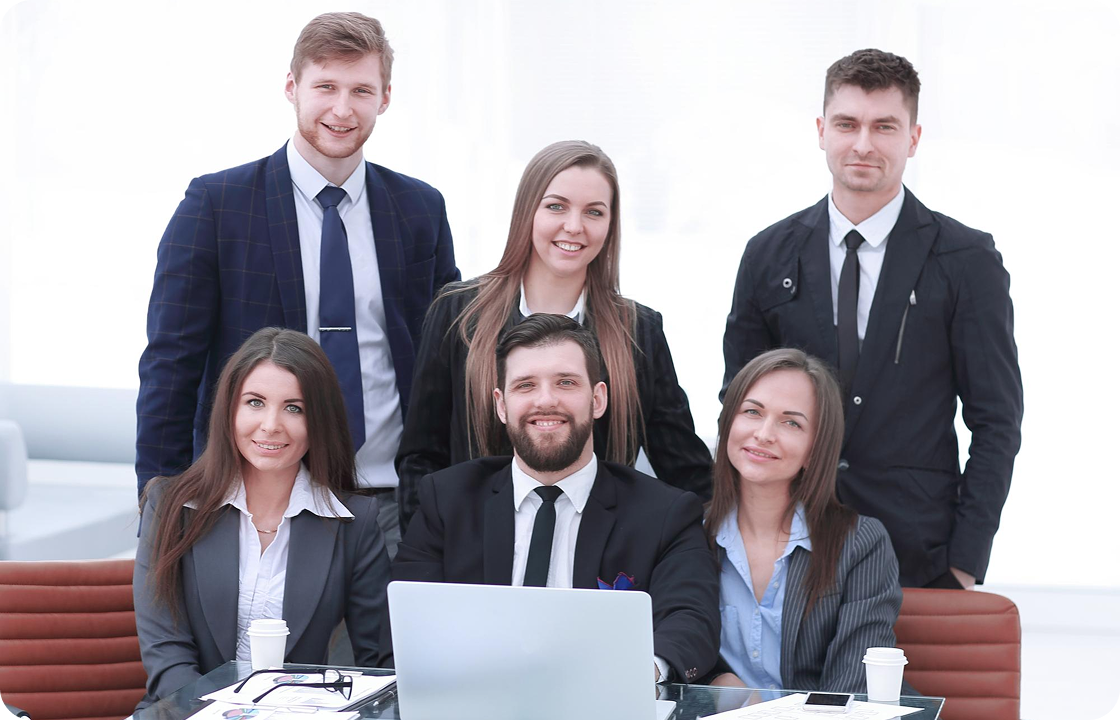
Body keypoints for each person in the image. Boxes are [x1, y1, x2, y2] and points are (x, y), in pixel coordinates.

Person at [135, 12, 459, 555]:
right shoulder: (217, 206)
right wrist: (160, 503)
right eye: (325, 86)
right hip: (258, 499)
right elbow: (171, 365)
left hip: (394, 501)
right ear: (292, 87)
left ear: (384, 98)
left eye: (361, 90)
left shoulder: (419, 209)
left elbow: (446, 360)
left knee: (393, 644)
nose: (342, 108)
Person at [721, 49, 1023, 588]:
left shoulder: (965, 260)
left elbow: (996, 420)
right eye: (847, 124)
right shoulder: (768, 254)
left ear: (913, 137)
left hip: (917, 551)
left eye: (884, 126)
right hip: (790, 543)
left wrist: (965, 560)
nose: (863, 144)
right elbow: (737, 403)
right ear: (821, 131)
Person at [396, 140, 710, 534]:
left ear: (611, 224)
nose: (574, 226)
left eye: (594, 212)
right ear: (528, 210)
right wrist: (427, 563)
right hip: (471, 556)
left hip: (595, 560)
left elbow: (686, 472)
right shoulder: (458, 314)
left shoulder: (638, 330)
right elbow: (420, 459)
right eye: (556, 206)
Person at [388, 314, 720, 684]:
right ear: (501, 404)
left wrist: (643, 673)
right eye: (525, 385)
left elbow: (692, 619)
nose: (545, 401)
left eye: (565, 382)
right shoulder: (446, 500)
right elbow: (409, 620)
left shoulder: (665, 513)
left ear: (597, 399)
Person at [133, 328, 390, 709]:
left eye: (293, 408)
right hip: (185, 712)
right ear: (229, 409)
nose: (271, 424)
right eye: (255, 402)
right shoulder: (170, 506)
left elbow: (379, 665)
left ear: (319, 420)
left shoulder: (354, 522)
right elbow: (167, 657)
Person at [708, 348, 906, 692]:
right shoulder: (690, 533)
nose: (765, 433)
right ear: (729, 423)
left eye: (791, 422)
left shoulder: (860, 543)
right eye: (752, 412)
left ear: (815, 450)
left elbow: (853, 684)